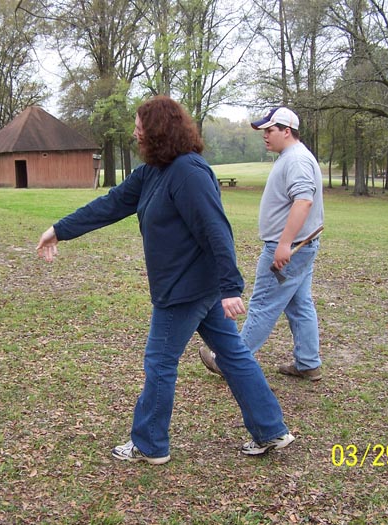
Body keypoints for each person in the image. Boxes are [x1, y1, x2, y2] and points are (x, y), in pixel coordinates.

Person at [36, 96, 294, 465]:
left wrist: (231, 286)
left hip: (185, 290)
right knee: (234, 356)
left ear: (158, 130)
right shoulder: (154, 170)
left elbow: (215, 230)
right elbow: (111, 204)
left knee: (159, 361)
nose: (135, 133)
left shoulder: (188, 172)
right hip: (194, 288)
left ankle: (150, 444)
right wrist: (59, 230)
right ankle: (271, 430)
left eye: (140, 127)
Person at [199, 107, 325, 381]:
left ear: (286, 131)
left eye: (270, 130)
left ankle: (229, 362)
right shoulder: (292, 156)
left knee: (262, 304)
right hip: (301, 246)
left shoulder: (296, 160)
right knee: (300, 304)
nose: (265, 136)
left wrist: (283, 245)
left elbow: (304, 201)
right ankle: (308, 363)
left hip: (289, 248)